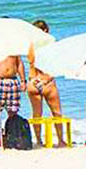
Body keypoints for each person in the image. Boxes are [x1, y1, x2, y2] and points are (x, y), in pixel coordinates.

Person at [26, 19, 66, 147]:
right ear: (46, 30)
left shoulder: (30, 45)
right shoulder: (51, 42)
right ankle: (60, 140)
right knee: (57, 112)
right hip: (47, 80)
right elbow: (56, 63)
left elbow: (31, 62)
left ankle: (38, 141)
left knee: (37, 114)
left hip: (33, 81)